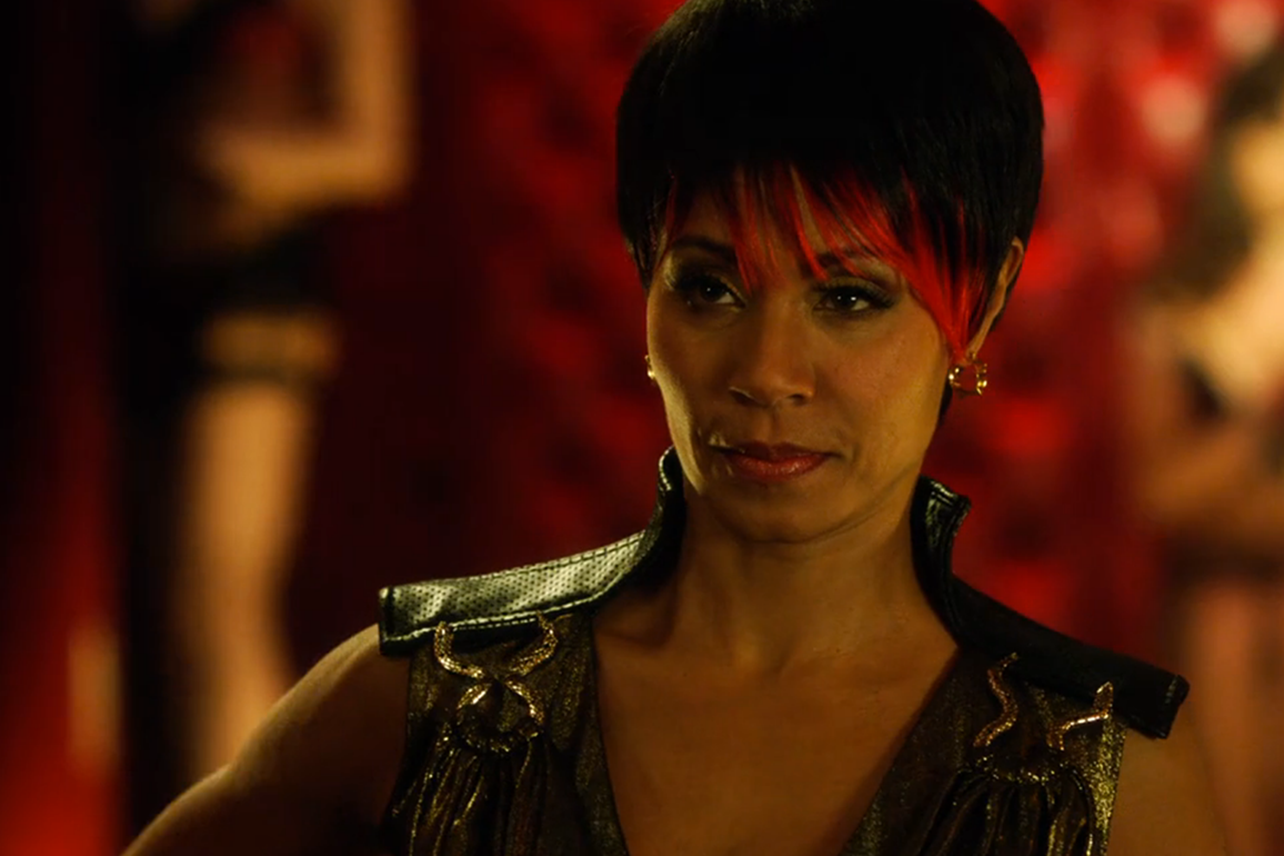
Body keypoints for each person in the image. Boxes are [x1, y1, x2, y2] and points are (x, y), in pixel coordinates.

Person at [124, 0, 1225, 853]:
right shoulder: (434, 702)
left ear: (979, 308)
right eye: (710, 288)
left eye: (848, 298)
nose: (767, 372)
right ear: (644, 281)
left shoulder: (1102, 779)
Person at [1124, 45, 1284, 856]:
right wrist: (1261, 385)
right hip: (1222, 583)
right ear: (1237, 142)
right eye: (1274, 124)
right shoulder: (1180, 305)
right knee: (1226, 610)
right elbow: (1162, 500)